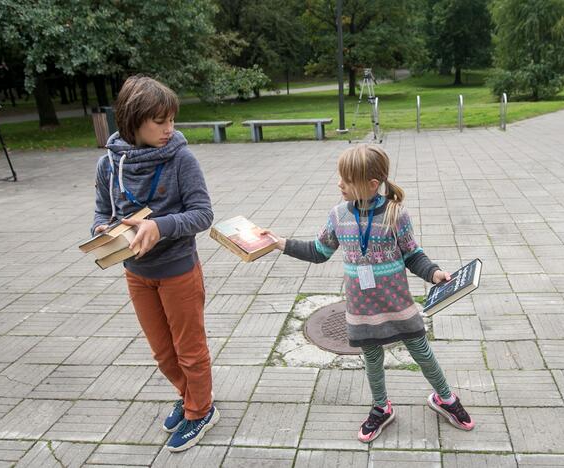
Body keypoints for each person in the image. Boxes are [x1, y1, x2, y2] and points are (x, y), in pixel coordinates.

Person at [263, 144, 475, 442]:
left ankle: (445, 398)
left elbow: (413, 255)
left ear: (372, 185)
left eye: (347, 180)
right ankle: (381, 407)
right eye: (340, 177)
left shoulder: (395, 214)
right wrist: (279, 243)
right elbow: (318, 251)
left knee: (423, 353)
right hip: (362, 311)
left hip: (398, 305)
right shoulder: (338, 215)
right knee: (372, 359)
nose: (339, 184)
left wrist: (434, 273)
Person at [91, 75, 217, 452]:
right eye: (159, 122)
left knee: (189, 350)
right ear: (132, 121)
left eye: (172, 120)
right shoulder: (108, 164)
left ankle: (201, 410)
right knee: (163, 352)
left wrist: (160, 226)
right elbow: (102, 209)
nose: (169, 129)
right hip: (136, 273)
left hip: (178, 270)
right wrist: (101, 228)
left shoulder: (181, 158)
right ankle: (190, 395)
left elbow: (202, 215)